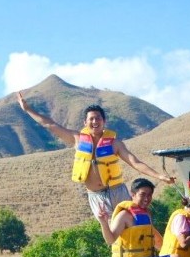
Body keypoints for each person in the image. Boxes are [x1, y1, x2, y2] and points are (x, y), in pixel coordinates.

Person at [17, 92, 175, 216]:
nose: (95, 122)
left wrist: (159, 176)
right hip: (95, 195)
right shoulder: (77, 139)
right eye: (91, 119)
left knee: (129, 225)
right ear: (85, 123)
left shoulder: (115, 144)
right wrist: (28, 109)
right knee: (110, 232)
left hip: (117, 191)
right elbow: (49, 124)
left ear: (104, 121)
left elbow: (135, 162)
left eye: (98, 118)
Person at [96, 178, 182, 257]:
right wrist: (103, 222)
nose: (146, 198)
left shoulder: (147, 214)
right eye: (142, 194)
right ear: (133, 194)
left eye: (149, 195)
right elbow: (110, 240)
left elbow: (158, 241)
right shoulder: (124, 215)